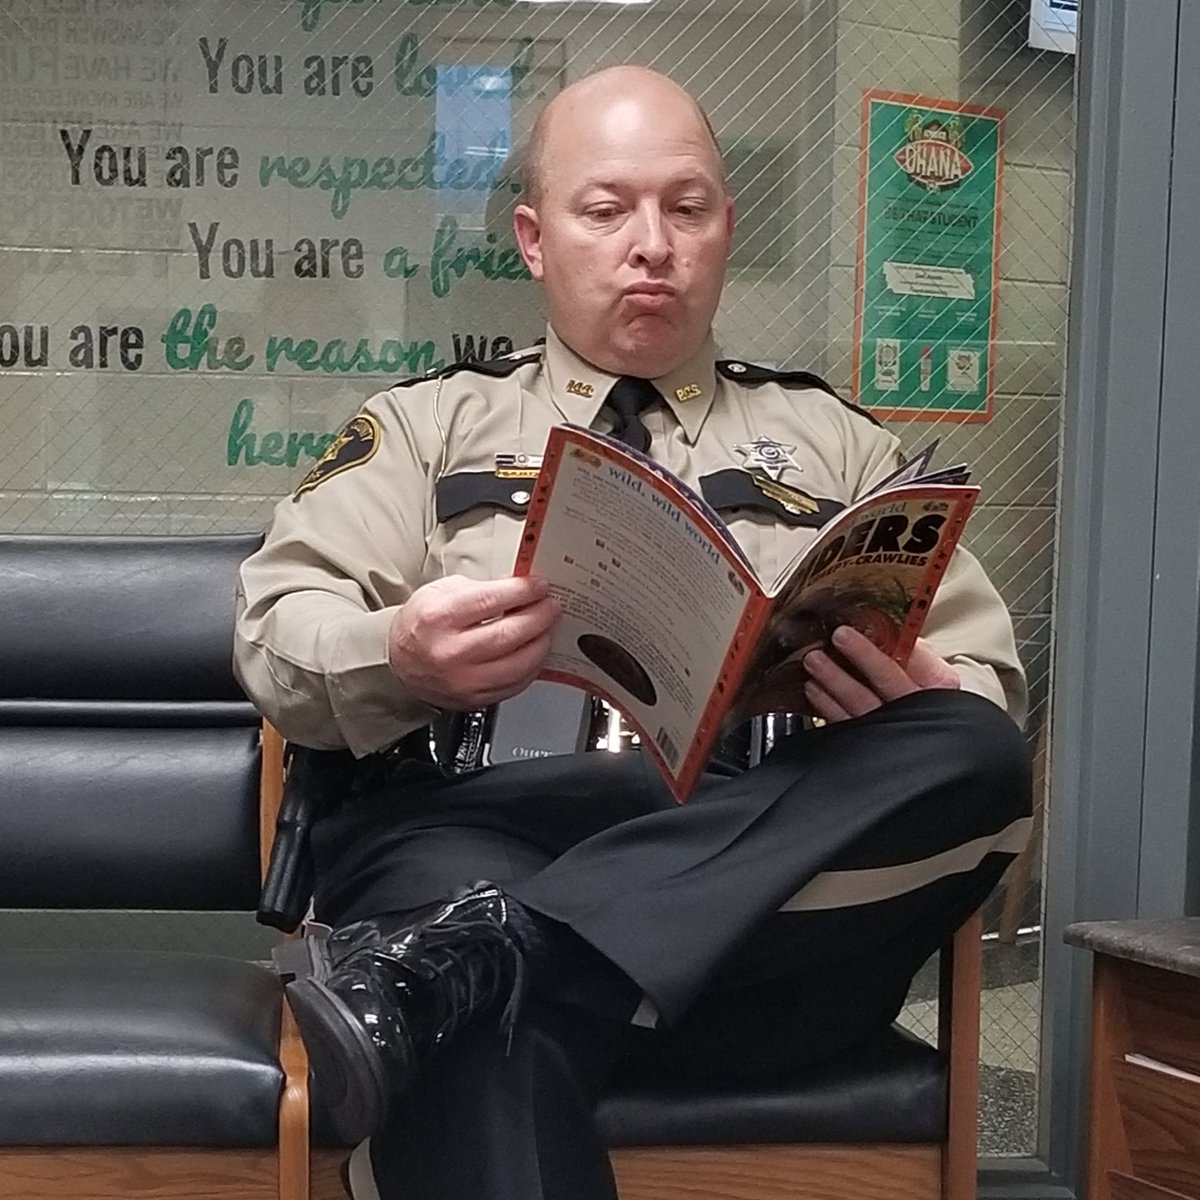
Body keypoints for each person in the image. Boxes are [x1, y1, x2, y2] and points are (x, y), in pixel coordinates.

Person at [235, 65, 1032, 1200]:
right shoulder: (427, 428)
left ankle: (486, 955)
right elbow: (277, 635)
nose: (650, 243)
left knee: (975, 750)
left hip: (766, 903)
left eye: (686, 206)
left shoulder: (838, 444)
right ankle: (492, 955)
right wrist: (399, 651)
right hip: (482, 830)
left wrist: (930, 692)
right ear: (533, 237)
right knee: (484, 1033)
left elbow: (982, 687)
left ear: (725, 228)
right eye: (606, 209)